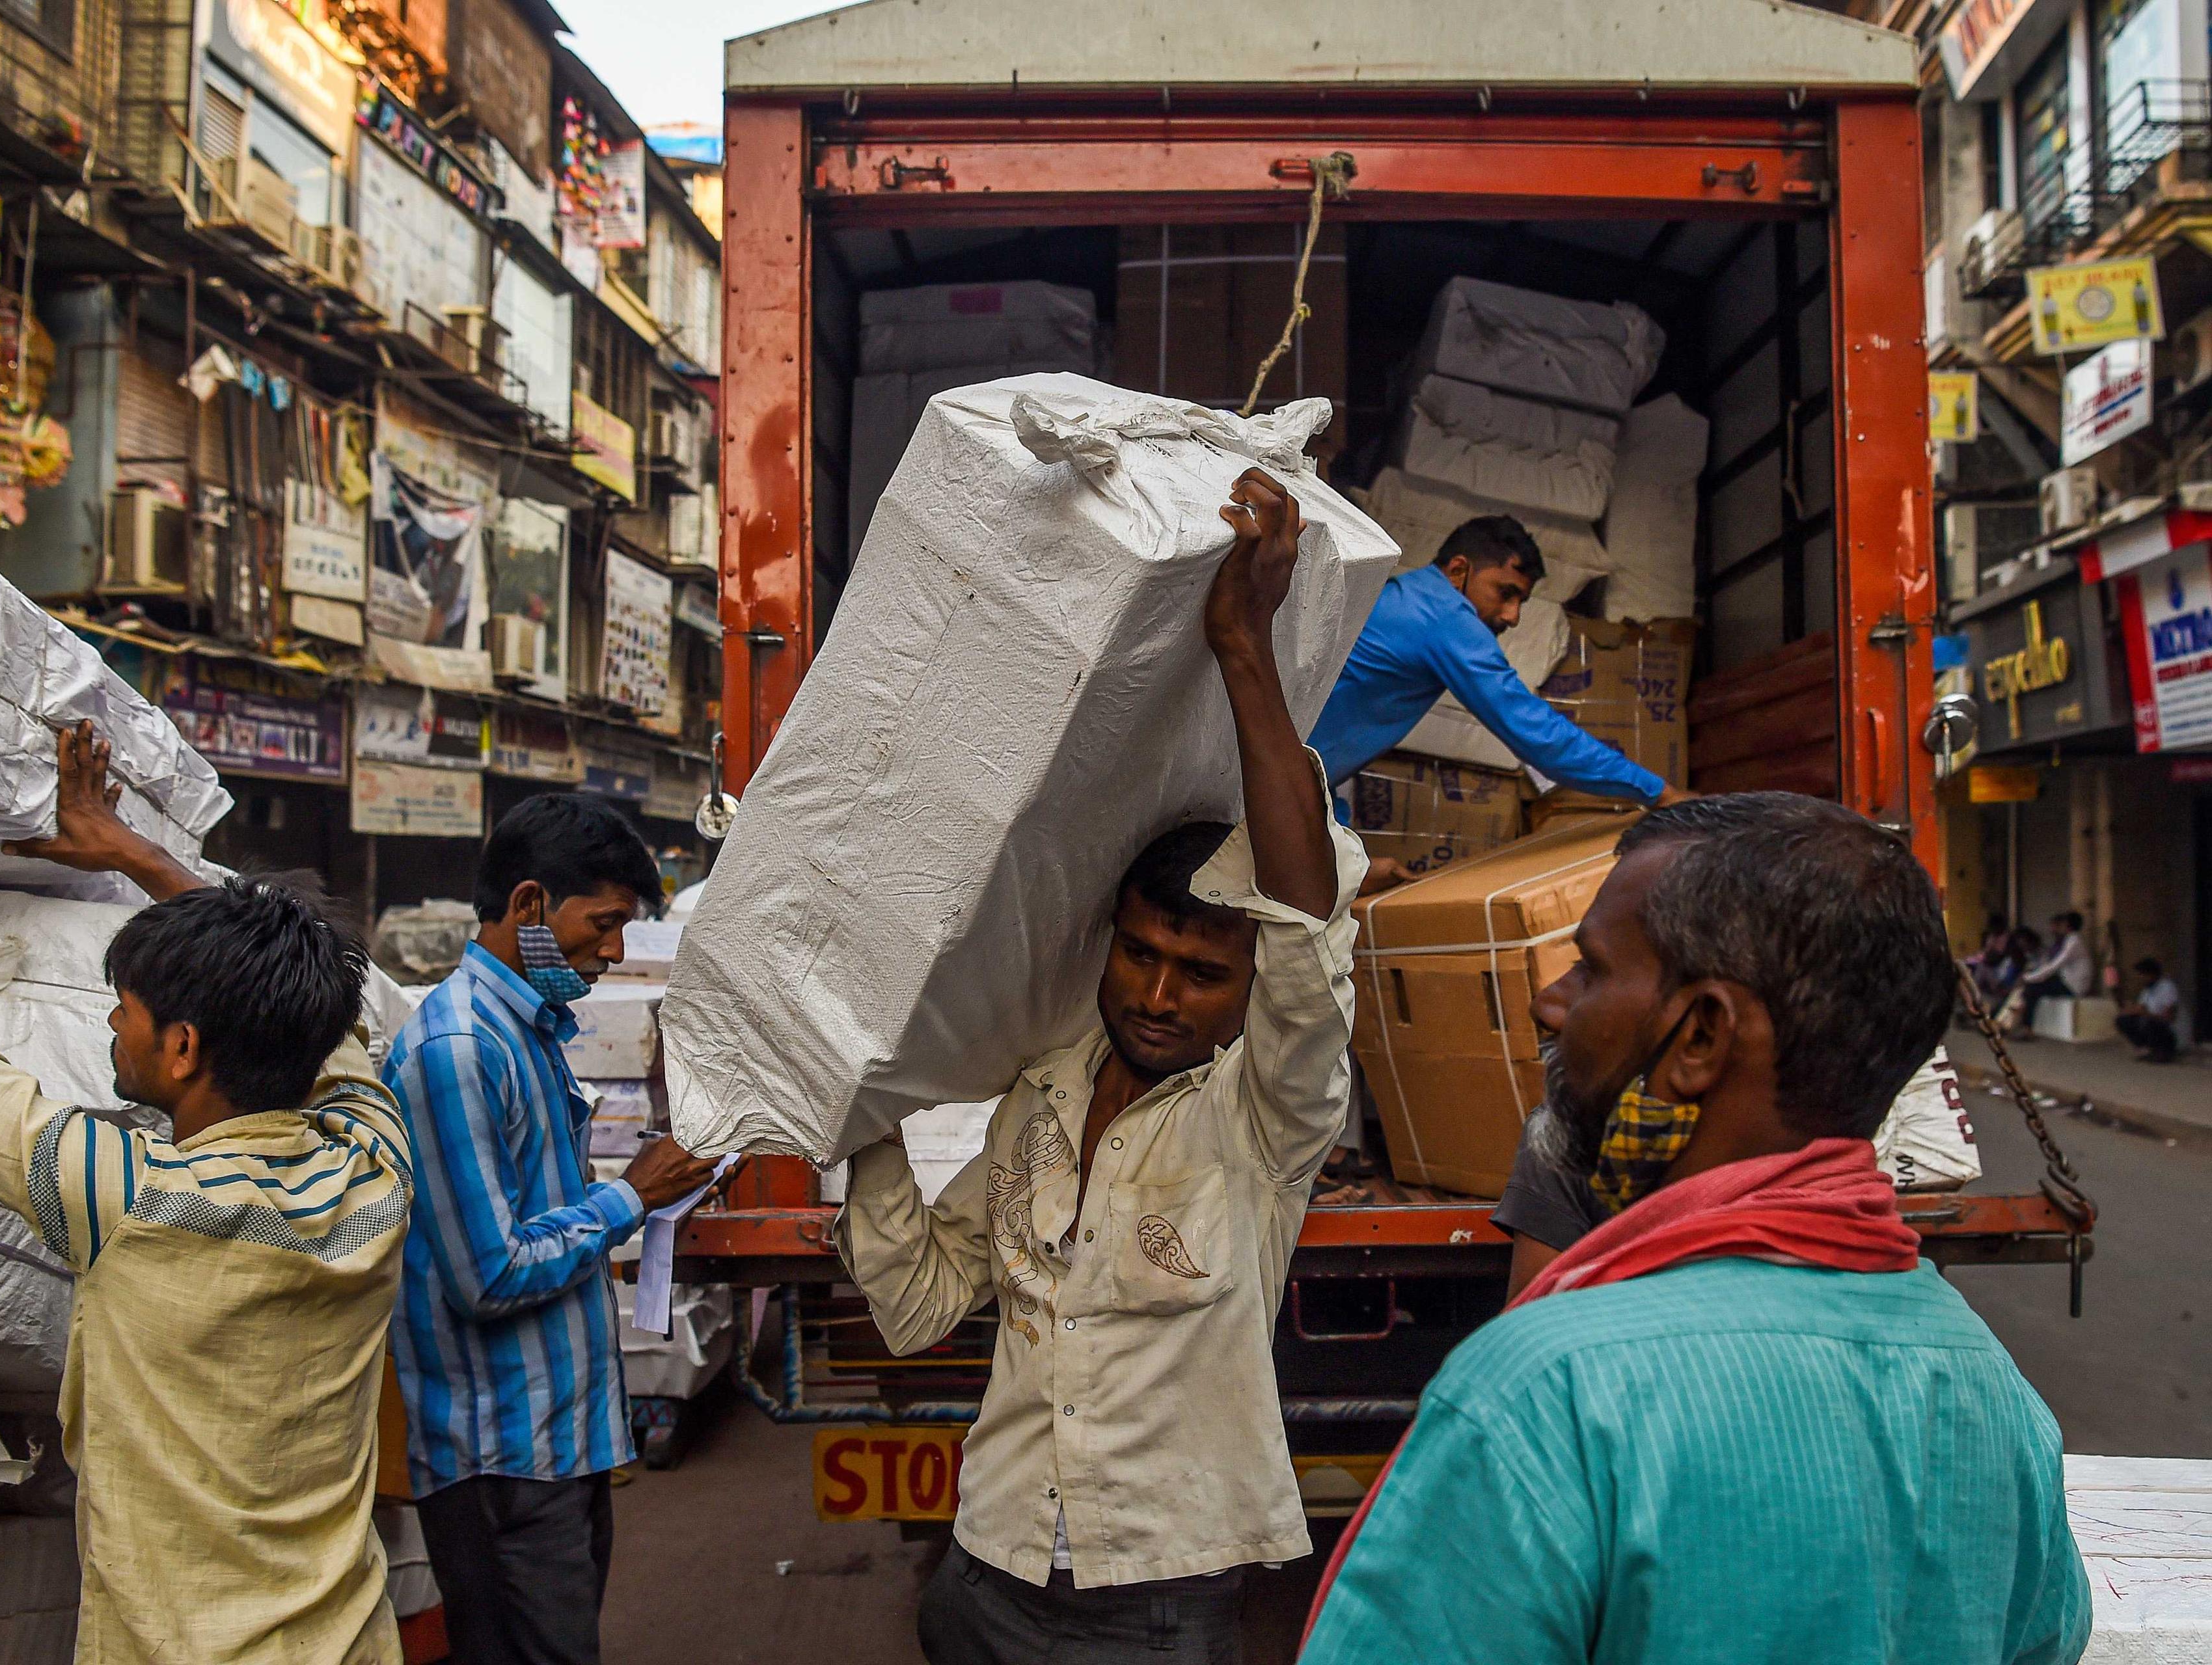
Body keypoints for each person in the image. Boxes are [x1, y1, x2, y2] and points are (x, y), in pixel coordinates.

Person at [1300, 793, 2092, 1665]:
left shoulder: (1546, 1393)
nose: (1551, 1004)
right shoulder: (1992, 1390)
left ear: (1703, 1036)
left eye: (1593, 970)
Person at [837, 468, 1366, 1664]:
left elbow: (1300, 922)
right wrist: (858, 1097)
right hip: (985, 1574)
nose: (1159, 992)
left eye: (1199, 970)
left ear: (1247, 993)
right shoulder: (1045, 1090)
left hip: (1155, 1602)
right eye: (1140, 952)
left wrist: (1242, 647)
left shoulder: (1267, 1117)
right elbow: (921, 1305)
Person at [0, 692, 411, 1664]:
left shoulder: (130, 1197)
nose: (110, 1025)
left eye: (125, 1009)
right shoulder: (373, 1163)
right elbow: (331, 1018)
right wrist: (133, 851)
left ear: (182, 1047)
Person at [384, 793, 720, 1665]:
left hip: (551, 1451)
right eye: (604, 923)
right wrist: (629, 1199)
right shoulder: (458, 1048)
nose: (613, 949)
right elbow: (487, 1271)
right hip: (502, 1460)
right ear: (531, 905)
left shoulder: (524, 1031)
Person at [1305, 515, 1693, 891]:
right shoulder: (1443, 618)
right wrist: (1660, 793)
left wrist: (1342, 853)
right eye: (1505, 593)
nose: (1512, 616)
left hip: (1289, 775)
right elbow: (1537, 733)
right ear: (1459, 570)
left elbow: (1318, 760)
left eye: (1521, 601)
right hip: (1272, 780)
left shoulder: (1408, 596)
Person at [2005, 910, 2094, 1033]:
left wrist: (2027, 978)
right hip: (2067, 981)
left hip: (2073, 986)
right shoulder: (2070, 941)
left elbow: (2054, 966)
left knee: (2033, 989)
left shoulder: (2074, 943)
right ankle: (2010, 1020)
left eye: (2061, 924)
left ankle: (2027, 1028)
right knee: (2030, 987)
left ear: (2067, 925)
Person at [2117, 958, 2183, 1063]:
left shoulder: (2167, 988)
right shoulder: (2147, 990)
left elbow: (2169, 1018)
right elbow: (2141, 1008)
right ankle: (2146, 1049)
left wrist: (2146, 1014)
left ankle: (2163, 1051)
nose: (2141, 978)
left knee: (2149, 1022)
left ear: (2152, 974)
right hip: (2149, 1023)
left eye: (2143, 975)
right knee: (2123, 1020)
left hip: (2166, 1031)